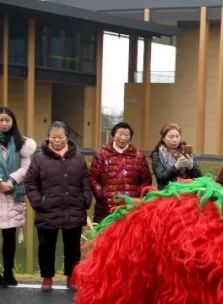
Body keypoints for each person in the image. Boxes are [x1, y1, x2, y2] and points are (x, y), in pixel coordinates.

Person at [24, 121, 91, 291]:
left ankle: (71, 277)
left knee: (73, 248)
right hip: (47, 209)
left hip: (74, 208)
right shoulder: (39, 158)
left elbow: (86, 182)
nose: (56, 141)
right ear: (48, 138)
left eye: (60, 137)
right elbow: (31, 183)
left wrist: (85, 200)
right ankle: (47, 278)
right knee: (46, 246)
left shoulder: (78, 158)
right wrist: (39, 202)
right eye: (53, 137)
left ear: (67, 138)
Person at [0, 106, 36, 286]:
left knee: (9, 236)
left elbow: (26, 167)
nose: (4, 124)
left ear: (13, 122)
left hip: (13, 194)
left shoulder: (22, 143)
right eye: (1, 120)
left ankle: (8, 272)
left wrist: (11, 182)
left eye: (7, 120)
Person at [89, 121, 152, 223]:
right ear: (113, 135)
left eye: (127, 135)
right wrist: (102, 195)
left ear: (130, 137)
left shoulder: (138, 156)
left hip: (131, 208)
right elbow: (92, 179)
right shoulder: (101, 155)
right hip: (106, 209)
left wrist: (135, 197)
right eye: (120, 134)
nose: (123, 138)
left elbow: (146, 181)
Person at [150, 123, 202, 189]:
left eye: (177, 136)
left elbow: (199, 177)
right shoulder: (157, 155)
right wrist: (176, 167)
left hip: (189, 188)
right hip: (168, 190)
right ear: (163, 138)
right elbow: (161, 178)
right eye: (171, 137)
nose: (175, 140)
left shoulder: (186, 151)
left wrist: (191, 167)